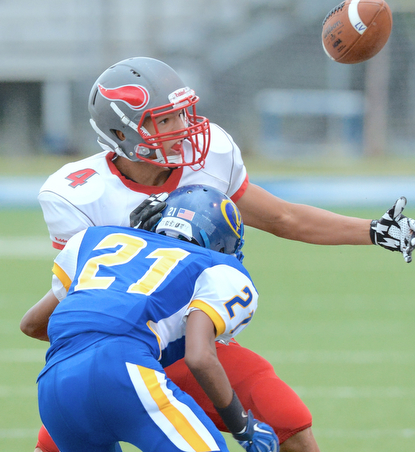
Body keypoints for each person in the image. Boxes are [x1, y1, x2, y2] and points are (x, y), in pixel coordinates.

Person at [23, 56, 415, 452]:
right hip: (122, 349)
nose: (183, 129)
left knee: (289, 422)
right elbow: (74, 306)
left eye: (181, 114)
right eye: (165, 120)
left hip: (189, 343)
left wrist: (371, 231)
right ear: (121, 131)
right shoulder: (77, 194)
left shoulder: (210, 155)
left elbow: (284, 217)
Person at [24, 185, 279, 452]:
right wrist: (242, 426)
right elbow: (199, 357)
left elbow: (31, 324)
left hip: (55, 383)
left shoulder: (96, 238)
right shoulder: (217, 267)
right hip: (124, 371)